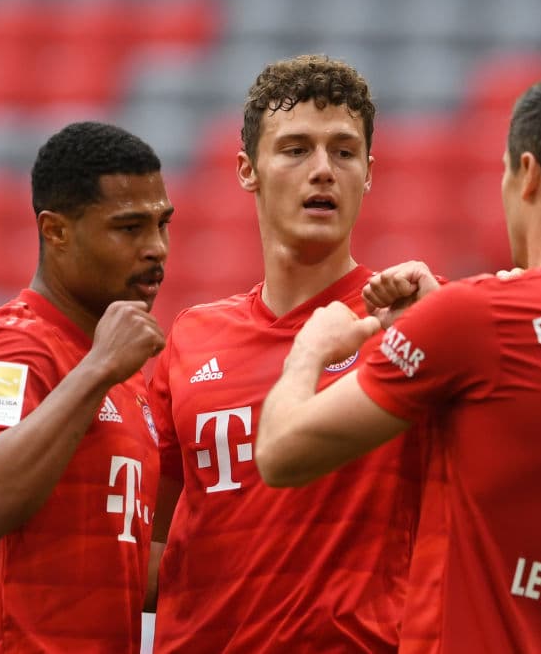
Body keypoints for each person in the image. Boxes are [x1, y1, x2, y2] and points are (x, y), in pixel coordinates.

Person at [256, 69, 541, 653]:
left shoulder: (481, 321)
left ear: (527, 174)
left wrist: (310, 349)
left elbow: (279, 454)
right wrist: (445, 320)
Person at [147, 54, 430, 652]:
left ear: (370, 171)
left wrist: (441, 335)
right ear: (248, 169)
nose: (323, 170)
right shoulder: (192, 338)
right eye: (296, 149)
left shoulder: (410, 321)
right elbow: (147, 554)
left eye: (344, 152)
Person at [0, 121, 172, 653]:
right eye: (129, 228)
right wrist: (97, 371)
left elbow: (116, 560)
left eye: (162, 224)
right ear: (55, 231)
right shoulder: (13, 347)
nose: (156, 248)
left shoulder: (118, 371)